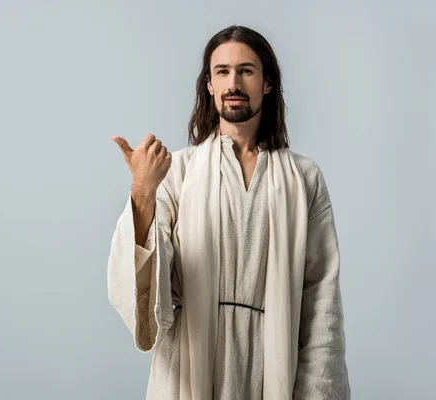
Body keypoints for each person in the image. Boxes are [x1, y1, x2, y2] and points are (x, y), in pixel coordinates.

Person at [107, 25, 350, 400]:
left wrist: (316, 392)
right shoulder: (179, 172)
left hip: (274, 368)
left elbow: (321, 302)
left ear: (267, 83)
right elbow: (149, 292)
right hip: (189, 369)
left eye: (246, 71)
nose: (233, 82)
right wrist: (143, 193)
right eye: (222, 71)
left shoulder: (303, 179)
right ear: (209, 85)